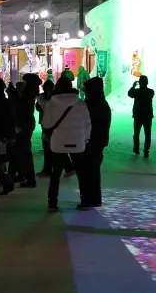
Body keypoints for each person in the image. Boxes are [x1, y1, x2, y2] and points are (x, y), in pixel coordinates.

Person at [40, 77, 91, 212]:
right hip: (78, 142)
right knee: (81, 173)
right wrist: (85, 139)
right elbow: (87, 124)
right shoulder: (80, 103)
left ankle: (52, 203)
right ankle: (85, 200)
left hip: (59, 142)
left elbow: (46, 124)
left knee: (56, 173)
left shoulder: (52, 103)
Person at [81, 77, 110, 208]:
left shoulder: (94, 105)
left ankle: (90, 199)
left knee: (90, 171)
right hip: (97, 141)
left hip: (92, 141)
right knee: (92, 171)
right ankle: (93, 198)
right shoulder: (101, 104)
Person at [10, 74, 39, 188]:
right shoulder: (29, 92)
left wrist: (13, 95)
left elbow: (20, 107)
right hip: (25, 123)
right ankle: (21, 174)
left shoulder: (28, 93)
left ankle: (29, 178)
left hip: (23, 124)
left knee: (23, 151)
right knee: (20, 150)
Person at [128, 75, 155, 158]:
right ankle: (146, 151)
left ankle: (136, 149)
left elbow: (129, 94)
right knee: (148, 134)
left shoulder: (137, 92)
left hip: (138, 115)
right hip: (147, 116)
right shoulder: (151, 91)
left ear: (139, 82)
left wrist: (133, 86)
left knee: (136, 133)